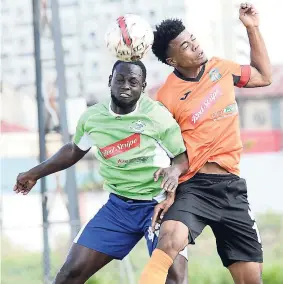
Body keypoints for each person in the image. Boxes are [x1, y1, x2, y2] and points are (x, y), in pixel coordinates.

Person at [14, 60, 189, 284]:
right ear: (110, 82)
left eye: (133, 82)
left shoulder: (158, 117)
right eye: (120, 79)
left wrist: (174, 172)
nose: (125, 85)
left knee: (172, 278)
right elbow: (73, 151)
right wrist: (34, 173)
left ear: (143, 87)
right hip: (119, 209)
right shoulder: (92, 118)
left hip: (158, 206)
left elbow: (181, 158)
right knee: (70, 274)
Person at [139, 3, 271, 284]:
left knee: (251, 280)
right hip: (194, 187)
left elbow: (263, 76)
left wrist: (252, 28)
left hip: (231, 187)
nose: (196, 47)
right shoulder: (165, 98)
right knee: (169, 239)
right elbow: (168, 152)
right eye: (185, 46)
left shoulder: (221, 68)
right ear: (173, 60)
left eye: (193, 39)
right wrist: (170, 190)